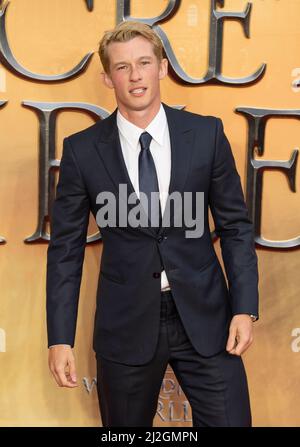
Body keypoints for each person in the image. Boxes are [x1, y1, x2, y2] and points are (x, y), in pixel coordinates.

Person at [46, 20, 259, 427]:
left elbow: (235, 227)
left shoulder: (207, 135)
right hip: (124, 324)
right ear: (108, 78)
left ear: (162, 68)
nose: (136, 75)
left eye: (144, 62)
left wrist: (245, 309)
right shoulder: (82, 151)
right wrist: (60, 338)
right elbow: (66, 252)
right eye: (123, 67)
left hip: (207, 318)